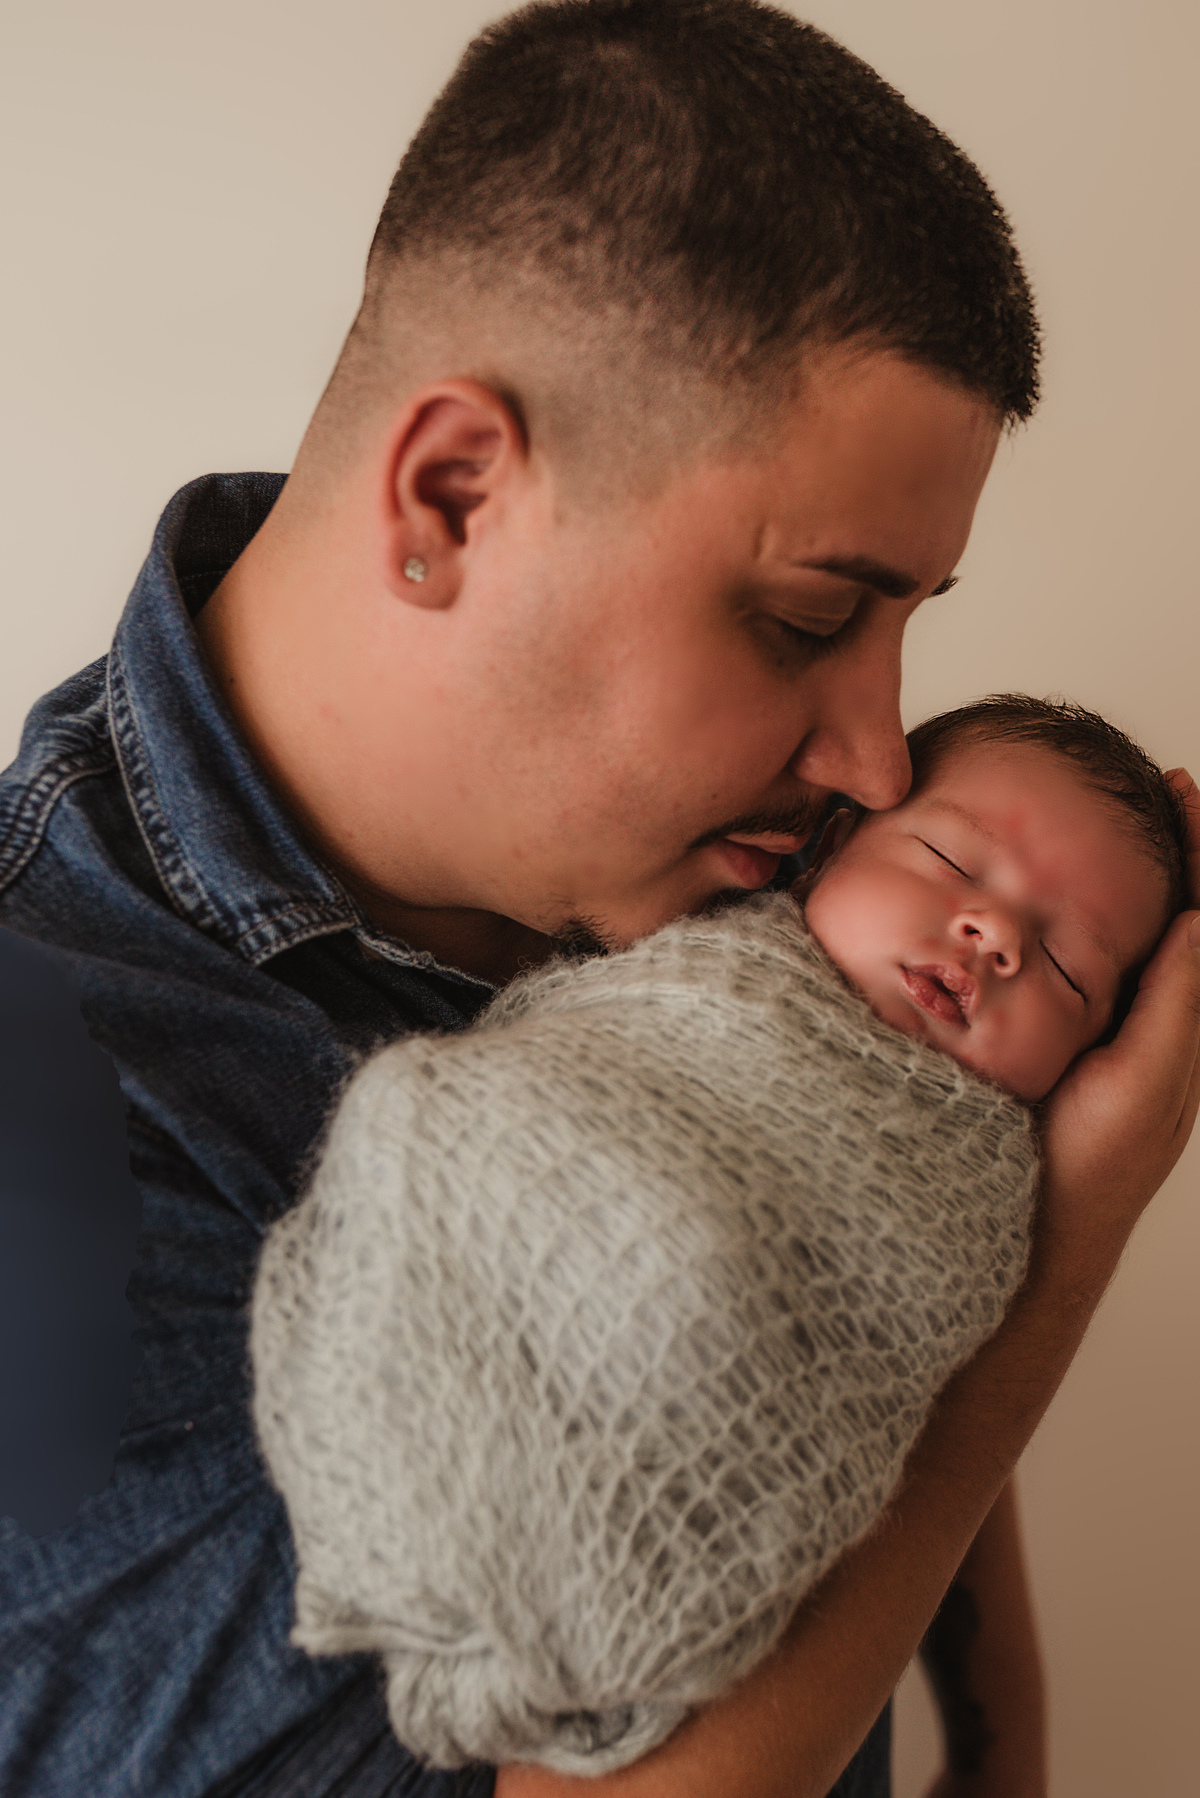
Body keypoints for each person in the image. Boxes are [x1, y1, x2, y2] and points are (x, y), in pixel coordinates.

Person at [0, 3, 1196, 1796]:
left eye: (904, 622)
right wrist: (1073, 1240)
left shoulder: (714, 839)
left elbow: (865, 1275)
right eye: (808, 618)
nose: (881, 757)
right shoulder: (54, 1126)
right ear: (452, 492)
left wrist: (1007, 1738)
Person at [247, 696, 1186, 1781]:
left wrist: (999, 1749)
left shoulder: (994, 1173)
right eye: (952, 862)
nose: (998, 936)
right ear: (830, 846)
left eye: (1069, 968)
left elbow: (910, 1361)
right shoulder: (682, 939)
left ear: (1091, 1055)